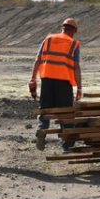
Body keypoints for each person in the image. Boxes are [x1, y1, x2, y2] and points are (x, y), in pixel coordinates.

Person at [30, 18, 83, 151]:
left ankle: (42, 131)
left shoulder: (48, 39)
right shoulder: (73, 44)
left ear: (62, 28)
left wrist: (33, 79)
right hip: (64, 83)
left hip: (47, 81)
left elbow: (38, 60)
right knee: (66, 113)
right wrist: (79, 88)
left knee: (45, 109)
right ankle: (68, 142)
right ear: (74, 31)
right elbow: (76, 67)